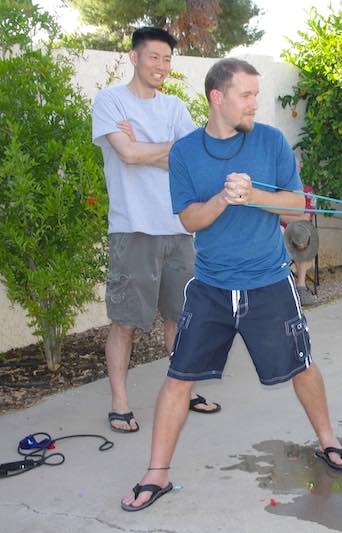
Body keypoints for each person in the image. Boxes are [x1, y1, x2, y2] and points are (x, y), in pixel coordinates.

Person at [120, 57, 342, 512]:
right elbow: (190, 218)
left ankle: (328, 440)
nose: (255, 103)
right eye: (246, 95)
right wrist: (223, 199)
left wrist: (255, 195)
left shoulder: (270, 142)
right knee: (178, 379)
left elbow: (296, 209)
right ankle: (157, 474)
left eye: (256, 94)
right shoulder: (186, 152)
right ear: (217, 97)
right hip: (210, 286)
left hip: (268, 282)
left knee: (302, 366)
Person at [92, 27, 220, 434]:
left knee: (181, 318)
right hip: (134, 229)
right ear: (134, 57)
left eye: (166, 59)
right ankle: (120, 402)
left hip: (178, 229)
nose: (161, 66)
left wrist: (142, 149)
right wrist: (160, 150)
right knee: (125, 321)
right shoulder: (110, 100)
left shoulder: (174, 107)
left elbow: (190, 160)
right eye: (153, 57)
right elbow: (126, 155)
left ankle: (184, 390)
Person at [280, 183, 320, 307]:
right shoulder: (274, 190)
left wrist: (279, 215)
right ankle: (280, 286)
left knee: (301, 235)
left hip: (297, 232)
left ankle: (300, 288)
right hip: (277, 232)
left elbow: (305, 218)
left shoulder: (307, 192)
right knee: (278, 232)